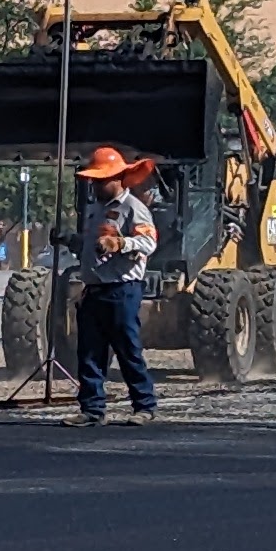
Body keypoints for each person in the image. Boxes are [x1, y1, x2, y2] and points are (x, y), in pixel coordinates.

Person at [70, 144, 163, 425]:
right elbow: (90, 246)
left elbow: (149, 242)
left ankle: (144, 406)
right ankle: (92, 409)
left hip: (122, 290)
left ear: (116, 178)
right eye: (94, 180)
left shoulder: (134, 208)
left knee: (127, 349)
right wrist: (69, 240)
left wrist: (121, 243)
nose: (96, 185)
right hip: (95, 289)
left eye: (100, 180)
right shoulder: (95, 210)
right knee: (89, 352)